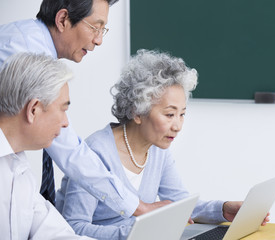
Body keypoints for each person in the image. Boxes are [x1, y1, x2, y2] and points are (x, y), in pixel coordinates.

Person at [56, 49, 270, 239]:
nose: (177, 126)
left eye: (182, 114)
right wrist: (136, 232)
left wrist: (222, 210)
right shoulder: (96, 151)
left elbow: (179, 205)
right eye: (169, 114)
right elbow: (74, 227)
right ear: (137, 112)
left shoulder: (157, 148)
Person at [0, 0, 161, 217]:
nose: (99, 40)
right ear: (63, 19)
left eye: (103, 30)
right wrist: (136, 207)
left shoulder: (33, 45)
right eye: (96, 27)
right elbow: (67, 149)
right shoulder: (21, 51)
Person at [0, 52, 94, 239]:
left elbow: (55, 234)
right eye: (63, 109)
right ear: (33, 109)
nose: (66, 122)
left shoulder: (18, 168)